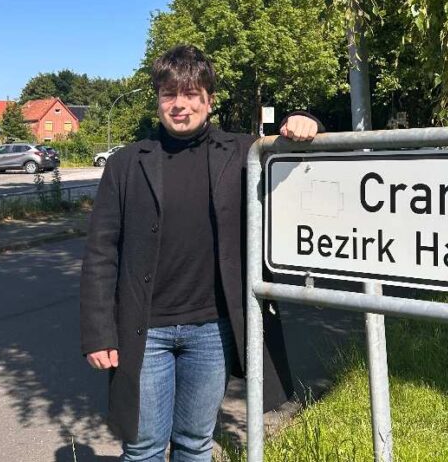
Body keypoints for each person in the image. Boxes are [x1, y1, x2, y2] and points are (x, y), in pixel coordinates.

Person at [80, 44, 323, 461]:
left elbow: (298, 151)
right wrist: (99, 333)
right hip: (144, 332)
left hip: (211, 330)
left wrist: (308, 120)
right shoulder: (126, 163)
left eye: (191, 94)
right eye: (169, 94)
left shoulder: (243, 152)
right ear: (158, 100)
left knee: (195, 443)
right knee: (143, 446)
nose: (179, 105)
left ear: (209, 100)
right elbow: (101, 253)